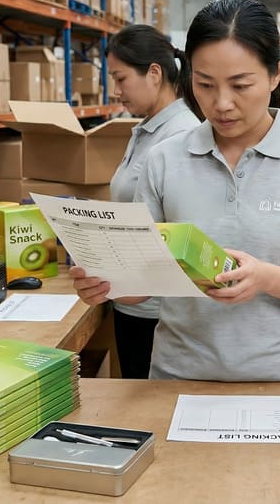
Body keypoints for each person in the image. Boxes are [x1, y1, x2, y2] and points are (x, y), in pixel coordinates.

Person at [71, 0, 280, 382]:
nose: (222, 104)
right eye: (204, 84)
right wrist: (107, 284)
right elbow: (142, 284)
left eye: (241, 85)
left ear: (276, 75)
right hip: (178, 378)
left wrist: (265, 278)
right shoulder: (165, 159)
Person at [104, 24, 201, 379]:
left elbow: (183, 226)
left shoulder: (179, 135)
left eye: (121, 78)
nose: (116, 91)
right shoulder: (148, 129)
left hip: (154, 309)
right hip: (132, 297)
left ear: (154, 73)